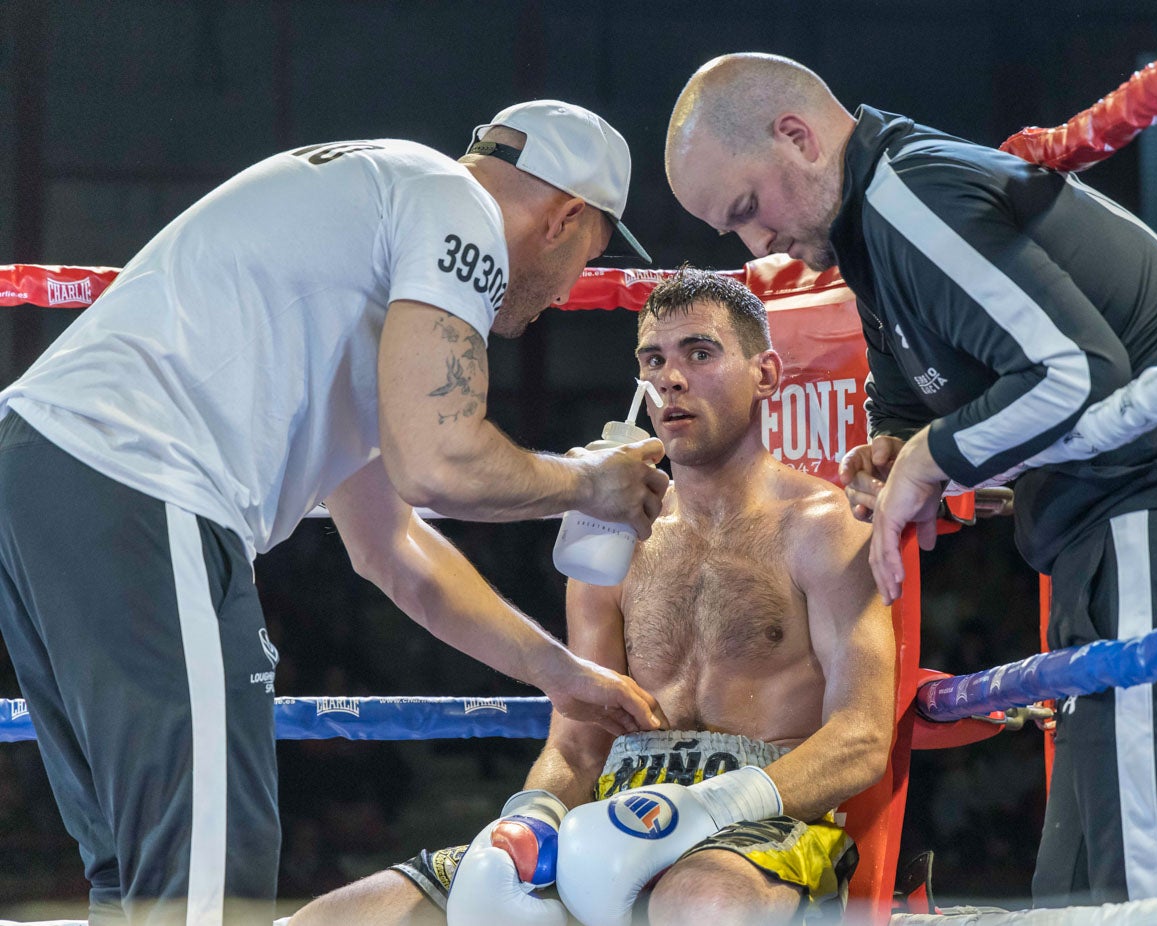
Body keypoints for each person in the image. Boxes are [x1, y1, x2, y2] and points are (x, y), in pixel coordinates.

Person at [0, 100, 672, 924]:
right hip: (140, 479)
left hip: (50, 474)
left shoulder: (372, 243)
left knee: (140, 870)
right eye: (587, 258)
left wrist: (558, 673)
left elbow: (392, 550)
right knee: (212, 872)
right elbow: (440, 463)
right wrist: (586, 484)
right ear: (566, 217)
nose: (568, 293)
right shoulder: (452, 205)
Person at [664, 54, 1157, 908]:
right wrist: (888, 449)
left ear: (798, 137)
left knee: (1142, 877)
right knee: (1078, 884)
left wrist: (928, 460)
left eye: (746, 209)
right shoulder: (869, 236)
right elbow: (909, 395)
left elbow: (1074, 372)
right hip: (1109, 532)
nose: (754, 243)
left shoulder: (911, 196)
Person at [288, 269, 896, 926]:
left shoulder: (823, 528)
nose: (670, 378)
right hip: (603, 827)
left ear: (766, 374)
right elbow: (576, 746)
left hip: (761, 820)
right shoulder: (613, 539)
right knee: (335, 920)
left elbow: (860, 737)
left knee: (702, 902)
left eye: (700, 352)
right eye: (652, 360)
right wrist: (533, 819)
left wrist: (716, 806)